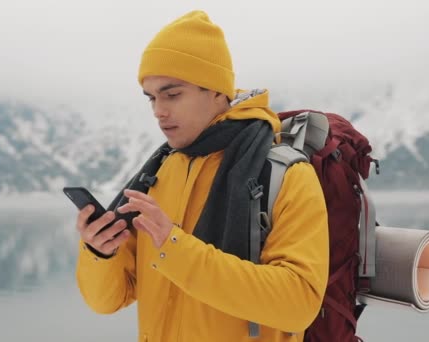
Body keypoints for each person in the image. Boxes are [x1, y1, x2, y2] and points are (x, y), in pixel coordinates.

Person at [75, 10, 329, 342]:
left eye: (172, 94)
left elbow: (299, 305)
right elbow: (108, 300)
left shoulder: (285, 175)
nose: (158, 111)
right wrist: (100, 252)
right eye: (151, 98)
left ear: (216, 91)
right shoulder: (160, 173)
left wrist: (175, 249)